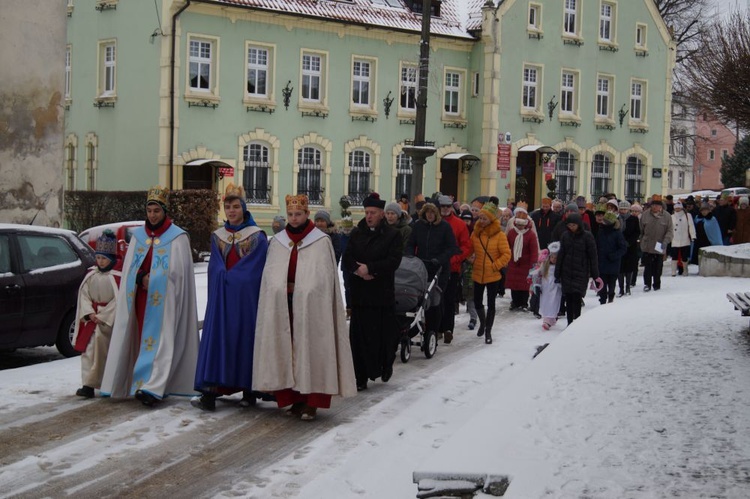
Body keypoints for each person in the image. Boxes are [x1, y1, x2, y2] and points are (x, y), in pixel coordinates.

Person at [252, 194, 356, 421]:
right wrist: (280, 288)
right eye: (290, 214)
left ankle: (312, 402)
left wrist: (304, 289)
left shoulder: (320, 242)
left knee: (311, 349)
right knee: (288, 350)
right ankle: (294, 398)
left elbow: (323, 279)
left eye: (298, 214)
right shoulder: (278, 242)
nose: (294, 218)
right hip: (284, 306)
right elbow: (270, 276)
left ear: (306, 214)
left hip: (311, 308)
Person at [101, 186, 200, 407]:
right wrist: (140, 277)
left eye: (157, 210)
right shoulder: (137, 237)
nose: (153, 215)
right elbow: (128, 270)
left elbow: (179, 274)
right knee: (138, 339)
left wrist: (156, 280)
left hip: (165, 302)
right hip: (139, 300)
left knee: (162, 342)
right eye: (150, 210)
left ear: (165, 211)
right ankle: (137, 382)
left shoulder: (178, 237)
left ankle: (153, 387)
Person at [192, 184, 269, 411]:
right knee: (218, 339)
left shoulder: (257, 237)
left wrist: (234, 277)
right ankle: (210, 393)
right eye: (228, 207)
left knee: (245, 338)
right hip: (222, 298)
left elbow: (256, 268)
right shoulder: (218, 236)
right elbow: (215, 265)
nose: (232, 211)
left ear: (243, 208)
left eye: (236, 206)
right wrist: (223, 276)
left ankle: (249, 391)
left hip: (246, 300)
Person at [343, 193, 402, 391]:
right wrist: (358, 270)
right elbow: (347, 258)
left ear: (382, 214)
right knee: (358, 339)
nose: (369, 216)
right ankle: (360, 376)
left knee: (383, 337)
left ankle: (384, 365)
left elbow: (393, 261)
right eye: (367, 212)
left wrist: (371, 268)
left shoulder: (393, 235)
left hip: (381, 294)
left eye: (373, 213)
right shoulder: (357, 233)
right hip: (361, 295)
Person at [73, 230, 121, 398]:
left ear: (112, 259)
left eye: (104, 258)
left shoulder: (116, 277)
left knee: (103, 352)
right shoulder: (91, 275)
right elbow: (84, 295)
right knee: (88, 351)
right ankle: (88, 384)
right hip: (91, 319)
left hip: (106, 322)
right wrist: (89, 313)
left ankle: (106, 383)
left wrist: (103, 316)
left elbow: (119, 299)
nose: (100, 262)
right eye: (98, 258)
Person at [405, 201, 459, 341]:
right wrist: (411, 256)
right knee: (419, 298)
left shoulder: (444, 227)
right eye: (427, 212)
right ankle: (415, 325)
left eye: (432, 212)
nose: (430, 215)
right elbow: (411, 243)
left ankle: (434, 329)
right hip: (421, 267)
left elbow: (452, 248)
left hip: (439, 269)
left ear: (437, 214)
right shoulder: (418, 226)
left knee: (435, 299)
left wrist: (440, 259)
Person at [469, 201, 511, 344]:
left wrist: (495, 265)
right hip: (478, 272)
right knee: (477, 301)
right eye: (480, 218)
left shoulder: (499, 235)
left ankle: (488, 331)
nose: (481, 221)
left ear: (491, 219)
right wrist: (470, 257)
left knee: (491, 303)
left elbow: (506, 254)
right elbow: (470, 249)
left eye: (484, 218)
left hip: (493, 275)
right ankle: (482, 322)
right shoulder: (476, 233)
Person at [437, 195, 472, 344]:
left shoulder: (459, 224)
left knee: (449, 299)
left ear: (451, 207)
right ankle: (436, 328)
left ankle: (447, 329)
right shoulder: (433, 222)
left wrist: (455, 259)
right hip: (434, 267)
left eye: (447, 206)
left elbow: (466, 246)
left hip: (452, 268)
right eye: (442, 206)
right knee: (434, 300)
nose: (445, 209)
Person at [555, 213, 599, 326]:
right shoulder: (565, 236)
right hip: (567, 271)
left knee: (577, 297)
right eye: (569, 225)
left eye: (573, 225)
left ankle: (577, 323)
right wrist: (557, 273)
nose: (571, 227)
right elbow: (561, 254)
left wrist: (595, 275)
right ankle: (569, 323)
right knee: (568, 297)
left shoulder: (587, 236)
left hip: (581, 271)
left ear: (578, 225)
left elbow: (593, 256)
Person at [505, 206, 539, 311]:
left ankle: (524, 302)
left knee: (524, 284)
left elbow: (534, 250)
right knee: (514, 284)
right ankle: (515, 302)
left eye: (522, 225)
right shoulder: (511, 233)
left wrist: (533, 263)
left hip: (526, 263)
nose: (520, 227)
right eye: (518, 225)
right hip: (513, 261)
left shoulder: (531, 235)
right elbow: (507, 246)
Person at [639, 195, 673, 291]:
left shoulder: (667, 216)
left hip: (660, 245)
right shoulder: (645, 215)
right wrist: (642, 241)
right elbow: (641, 229)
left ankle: (657, 284)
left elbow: (670, 231)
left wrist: (665, 241)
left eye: (657, 205)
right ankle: (647, 284)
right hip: (647, 245)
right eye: (653, 205)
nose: (654, 207)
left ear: (661, 206)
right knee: (647, 267)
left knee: (658, 267)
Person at [596, 212, 627, 304]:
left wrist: (614, 256)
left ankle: (611, 298)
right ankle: (602, 299)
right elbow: (596, 245)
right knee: (602, 283)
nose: (603, 223)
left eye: (605, 221)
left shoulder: (617, 233)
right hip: (601, 262)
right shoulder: (600, 232)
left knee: (612, 283)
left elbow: (623, 248)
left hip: (613, 263)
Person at [536, 241, 562, 330]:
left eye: (556, 257)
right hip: (546, 287)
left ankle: (550, 319)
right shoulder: (545, 266)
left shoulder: (559, 267)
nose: (554, 259)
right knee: (546, 302)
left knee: (553, 302)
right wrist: (537, 285)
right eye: (552, 257)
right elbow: (538, 274)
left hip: (555, 287)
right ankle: (547, 320)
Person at [459, 210, 478, 330]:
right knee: (460, 288)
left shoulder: (474, 233)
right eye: (464, 220)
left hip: (471, 264)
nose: (466, 222)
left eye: (468, 220)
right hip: (459, 262)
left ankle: (473, 317)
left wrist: (472, 257)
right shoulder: (458, 231)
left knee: (471, 292)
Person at [617, 200, 640, 296]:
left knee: (629, 267)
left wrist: (629, 242)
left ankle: (628, 287)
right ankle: (621, 288)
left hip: (631, 247)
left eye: (625, 209)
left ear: (628, 210)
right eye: (621, 209)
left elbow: (637, 232)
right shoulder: (617, 219)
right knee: (620, 268)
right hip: (619, 247)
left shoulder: (633, 219)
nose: (623, 211)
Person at [670, 201, 695, 276]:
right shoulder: (672, 216)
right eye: (676, 207)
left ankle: (685, 270)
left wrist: (693, 235)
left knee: (684, 256)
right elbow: (670, 228)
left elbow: (691, 225)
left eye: (679, 207)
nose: (677, 209)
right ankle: (673, 271)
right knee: (674, 255)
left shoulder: (687, 215)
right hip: (675, 239)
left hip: (685, 238)